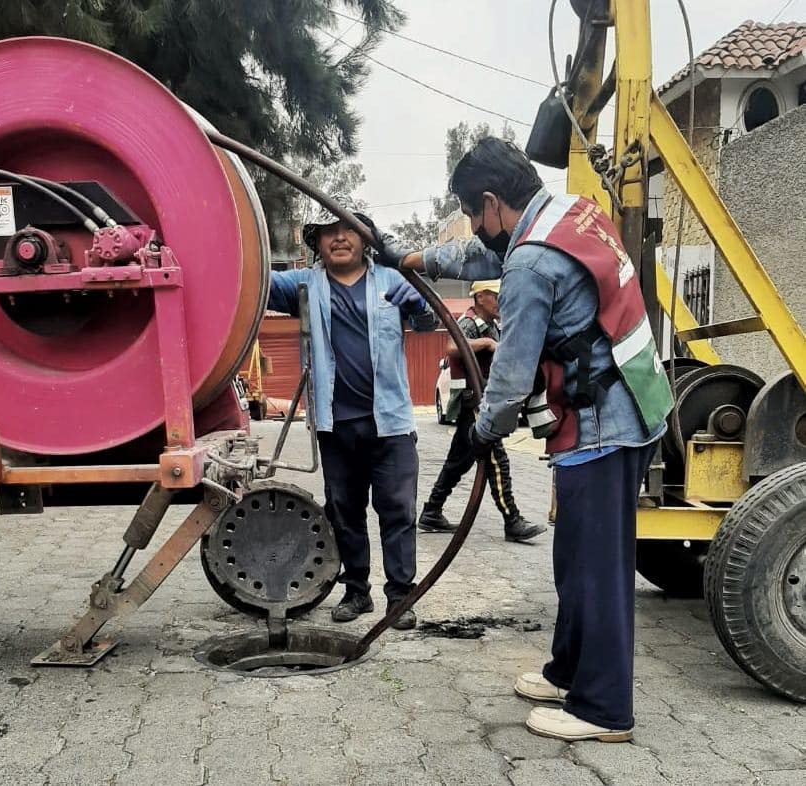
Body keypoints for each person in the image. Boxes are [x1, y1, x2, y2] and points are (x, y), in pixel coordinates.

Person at [374, 137, 673, 742]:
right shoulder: (568, 212)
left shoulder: (532, 262)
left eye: (473, 213)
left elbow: (508, 381)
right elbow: (486, 254)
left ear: (491, 202)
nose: (477, 230)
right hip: (634, 399)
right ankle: (568, 669)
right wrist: (413, 258)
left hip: (603, 425)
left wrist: (482, 432)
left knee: (598, 571)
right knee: (576, 562)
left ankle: (603, 710)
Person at [267, 198, 439, 631]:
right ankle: (356, 591)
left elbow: (428, 323)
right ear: (318, 244)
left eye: (350, 229)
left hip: (391, 422)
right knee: (344, 509)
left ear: (367, 241)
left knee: (398, 510)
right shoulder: (304, 286)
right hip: (336, 422)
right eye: (329, 231)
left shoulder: (394, 280)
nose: (339, 237)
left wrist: (418, 302)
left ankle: (400, 596)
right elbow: (253, 280)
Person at [419, 279, 543, 542]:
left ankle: (431, 510)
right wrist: (486, 343)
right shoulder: (470, 322)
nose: (500, 301)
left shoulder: (492, 325)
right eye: (496, 296)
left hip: (482, 401)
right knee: (496, 459)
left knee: (459, 461)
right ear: (481, 297)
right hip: (475, 402)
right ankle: (512, 520)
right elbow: (453, 347)